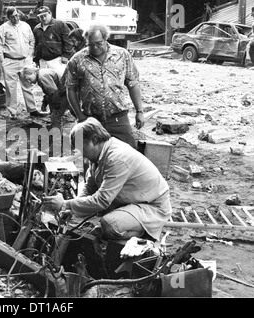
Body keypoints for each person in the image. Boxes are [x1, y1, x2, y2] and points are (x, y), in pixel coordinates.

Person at [42, 117, 172, 245]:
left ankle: (142, 233)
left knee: (109, 225)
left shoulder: (117, 158)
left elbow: (102, 201)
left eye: (81, 148)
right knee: (97, 212)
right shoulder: (100, 153)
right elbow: (89, 187)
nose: (80, 153)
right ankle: (126, 220)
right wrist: (72, 209)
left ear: (94, 140)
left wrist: (65, 204)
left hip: (152, 205)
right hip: (132, 200)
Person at [65, 23, 145, 149]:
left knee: (127, 152)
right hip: (91, 119)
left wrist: (139, 111)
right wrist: (80, 116)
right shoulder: (77, 60)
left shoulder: (122, 55)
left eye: (98, 43)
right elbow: (71, 89)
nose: (95, 47)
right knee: (90, 156)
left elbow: (133, 84)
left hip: (118, 118)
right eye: (90, 44)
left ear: (106, 38)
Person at [0, 6, 48, 119]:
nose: (16, 18)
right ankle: (13, 112)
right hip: (10, 61)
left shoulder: (25, 26)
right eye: (13, 16)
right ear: (8, 17)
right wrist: (2, 61)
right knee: (11, 88)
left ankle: (32, 109)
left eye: (17, 15)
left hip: (24, 60)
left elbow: (31, 41)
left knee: (27, 85)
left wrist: (29, 55)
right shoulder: (2, 28)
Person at [21, 65, 70, 132]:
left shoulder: (42, 77)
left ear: (34, 73)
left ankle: (57, 136)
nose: (30, 82)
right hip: (64, 89)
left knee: (55, 116)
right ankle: (54, 126)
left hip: (67, 91)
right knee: (52, 103)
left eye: (29, 79)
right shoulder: (41, 74)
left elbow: (53, 93)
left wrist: (56, 107)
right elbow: (48, 93)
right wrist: (44, 103)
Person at [32, 6, 73, 78]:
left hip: (57, 61)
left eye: (45, 15)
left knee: (61, 82)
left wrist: (65, 58)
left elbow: (68, 42)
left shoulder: (60, 24)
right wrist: (36, 60)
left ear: (50, 13)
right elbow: (36, 46)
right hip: (43, 62)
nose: (44, 18)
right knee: (44, 83)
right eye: (41, 17)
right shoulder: (36, 29)